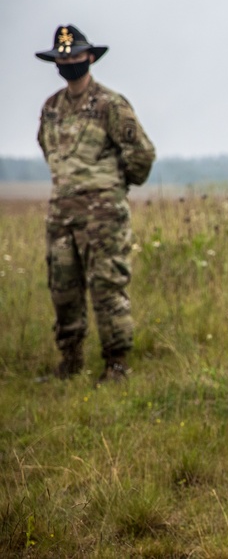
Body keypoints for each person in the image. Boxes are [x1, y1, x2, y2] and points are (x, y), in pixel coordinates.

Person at [35, 24, 156, 383]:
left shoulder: (110, 105)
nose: (69, 61)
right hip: (61, 214)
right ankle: (70, 362)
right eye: (63, 57)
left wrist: (113, 186)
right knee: (63, 289)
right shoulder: (52, 107)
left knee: (107, 286)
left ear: (90, 57)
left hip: (103, 216)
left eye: (75, 55)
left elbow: (141, 154)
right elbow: (48, 150)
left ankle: (116, 364)